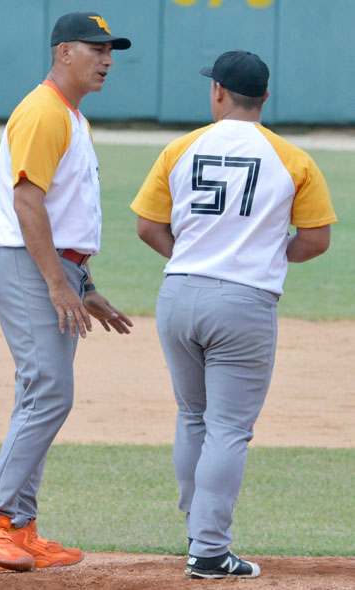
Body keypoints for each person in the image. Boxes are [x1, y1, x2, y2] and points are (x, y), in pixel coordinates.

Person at [130, 50, 336, 580]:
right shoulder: (293, 159)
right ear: (265, 97)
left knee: (192, 417)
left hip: (177, 295)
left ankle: (196, 529)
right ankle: (209, 550)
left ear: (218, 92)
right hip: (244, 303)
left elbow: (148, 227)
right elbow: (315, 240)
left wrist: (195, 255)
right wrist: (265, 253)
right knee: (227, 428)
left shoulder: (180, 148)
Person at [0, 12, 133, 573]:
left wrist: (85, 284)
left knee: (39, 393)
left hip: (54, 268)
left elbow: (64, 213)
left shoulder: (69, 115)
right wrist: (58, 283)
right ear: (63, 52)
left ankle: (21, 526)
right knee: (50, 392)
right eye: (95, 48)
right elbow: (27, 203)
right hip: (28, 266)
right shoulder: (42, 111)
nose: (106, 59)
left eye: (111, 50)